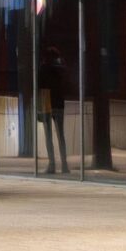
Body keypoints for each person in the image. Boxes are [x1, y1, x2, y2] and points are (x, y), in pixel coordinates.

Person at [34, 45, 71, 174]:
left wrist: (38, 108)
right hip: (59, 103)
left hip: (47, 103)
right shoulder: (61, 69)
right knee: (61, 135)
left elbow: (39, 87)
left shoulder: (43, 68)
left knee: (48, 135)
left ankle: (52, 165)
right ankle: (64, 165)